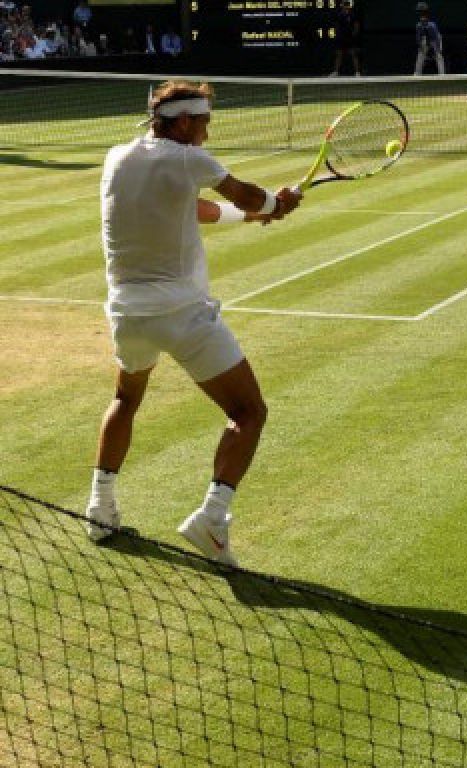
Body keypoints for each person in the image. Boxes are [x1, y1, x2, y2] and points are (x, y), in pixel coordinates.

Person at [85, 80, 301, 566]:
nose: (205, 134)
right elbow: (247, 193)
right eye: (203, 124)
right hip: (184, 315)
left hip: (127, 314)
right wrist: (275, 203)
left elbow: (193, 208)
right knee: (249, 412)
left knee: (125, 399)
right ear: (183, 122)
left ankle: (99, 508)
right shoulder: (190, 160)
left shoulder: (117, 157)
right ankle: (211, 517)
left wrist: (249, 217)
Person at [329, 0, 362, 76]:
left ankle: (357, 72)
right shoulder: (339, 15)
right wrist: (338, 35)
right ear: (342, 6)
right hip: (341, 38)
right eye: (344, 5)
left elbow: (356, 25)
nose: (345, 7)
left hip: (350, 38)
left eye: (347, 6)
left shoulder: (352, 15)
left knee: (353, 54)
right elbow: (336, 26)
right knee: (339, 54)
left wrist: (353, 35)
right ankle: (336, 72)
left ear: (349, 6)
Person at [414, 2, 445, 75]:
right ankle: (417, 73)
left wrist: (438, 48)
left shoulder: (432, 26)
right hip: (426, 39)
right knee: (420, 54)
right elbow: (418, 38)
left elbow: (437, 38)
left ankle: (442, 74)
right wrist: (421, 46)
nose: (422, 17)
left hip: (435, 39)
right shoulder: (419, 25)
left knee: (438, 55)